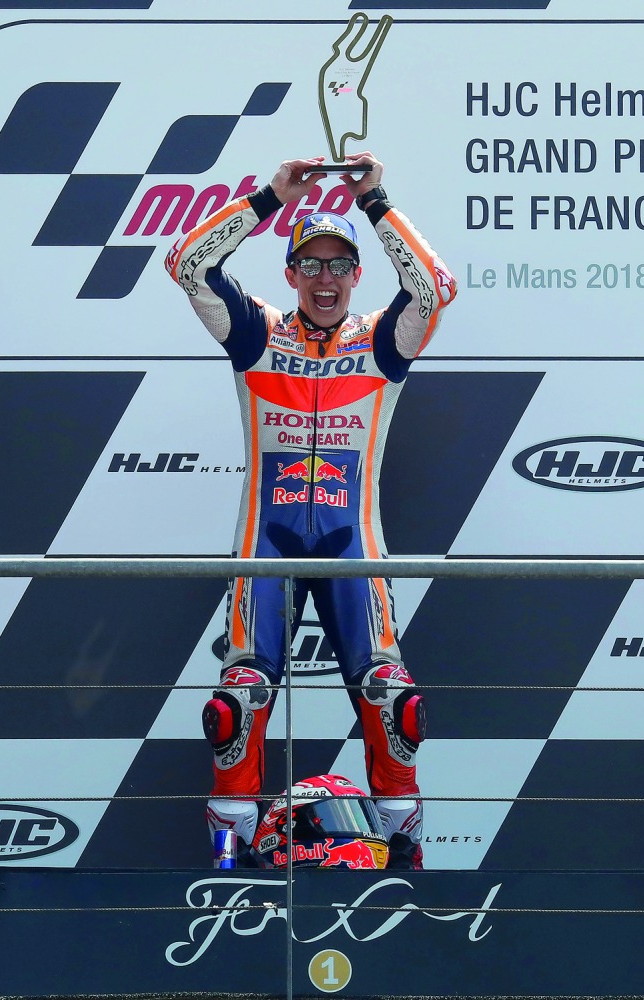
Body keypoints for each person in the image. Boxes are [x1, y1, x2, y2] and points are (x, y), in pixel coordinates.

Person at [165, 151, 456, 870]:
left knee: (395, 705)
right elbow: (186, 264)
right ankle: (227, 863)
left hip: (352, 535)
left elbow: (436, 287)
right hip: (265, 537)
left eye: (338, 266)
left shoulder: (382, 339)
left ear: (357, 274)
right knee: (238, 704)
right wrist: (269, 198)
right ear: (289, 273)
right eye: (311, 265)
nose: (325, 280)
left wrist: (376, 201)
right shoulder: (257, 333)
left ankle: (407, 860)